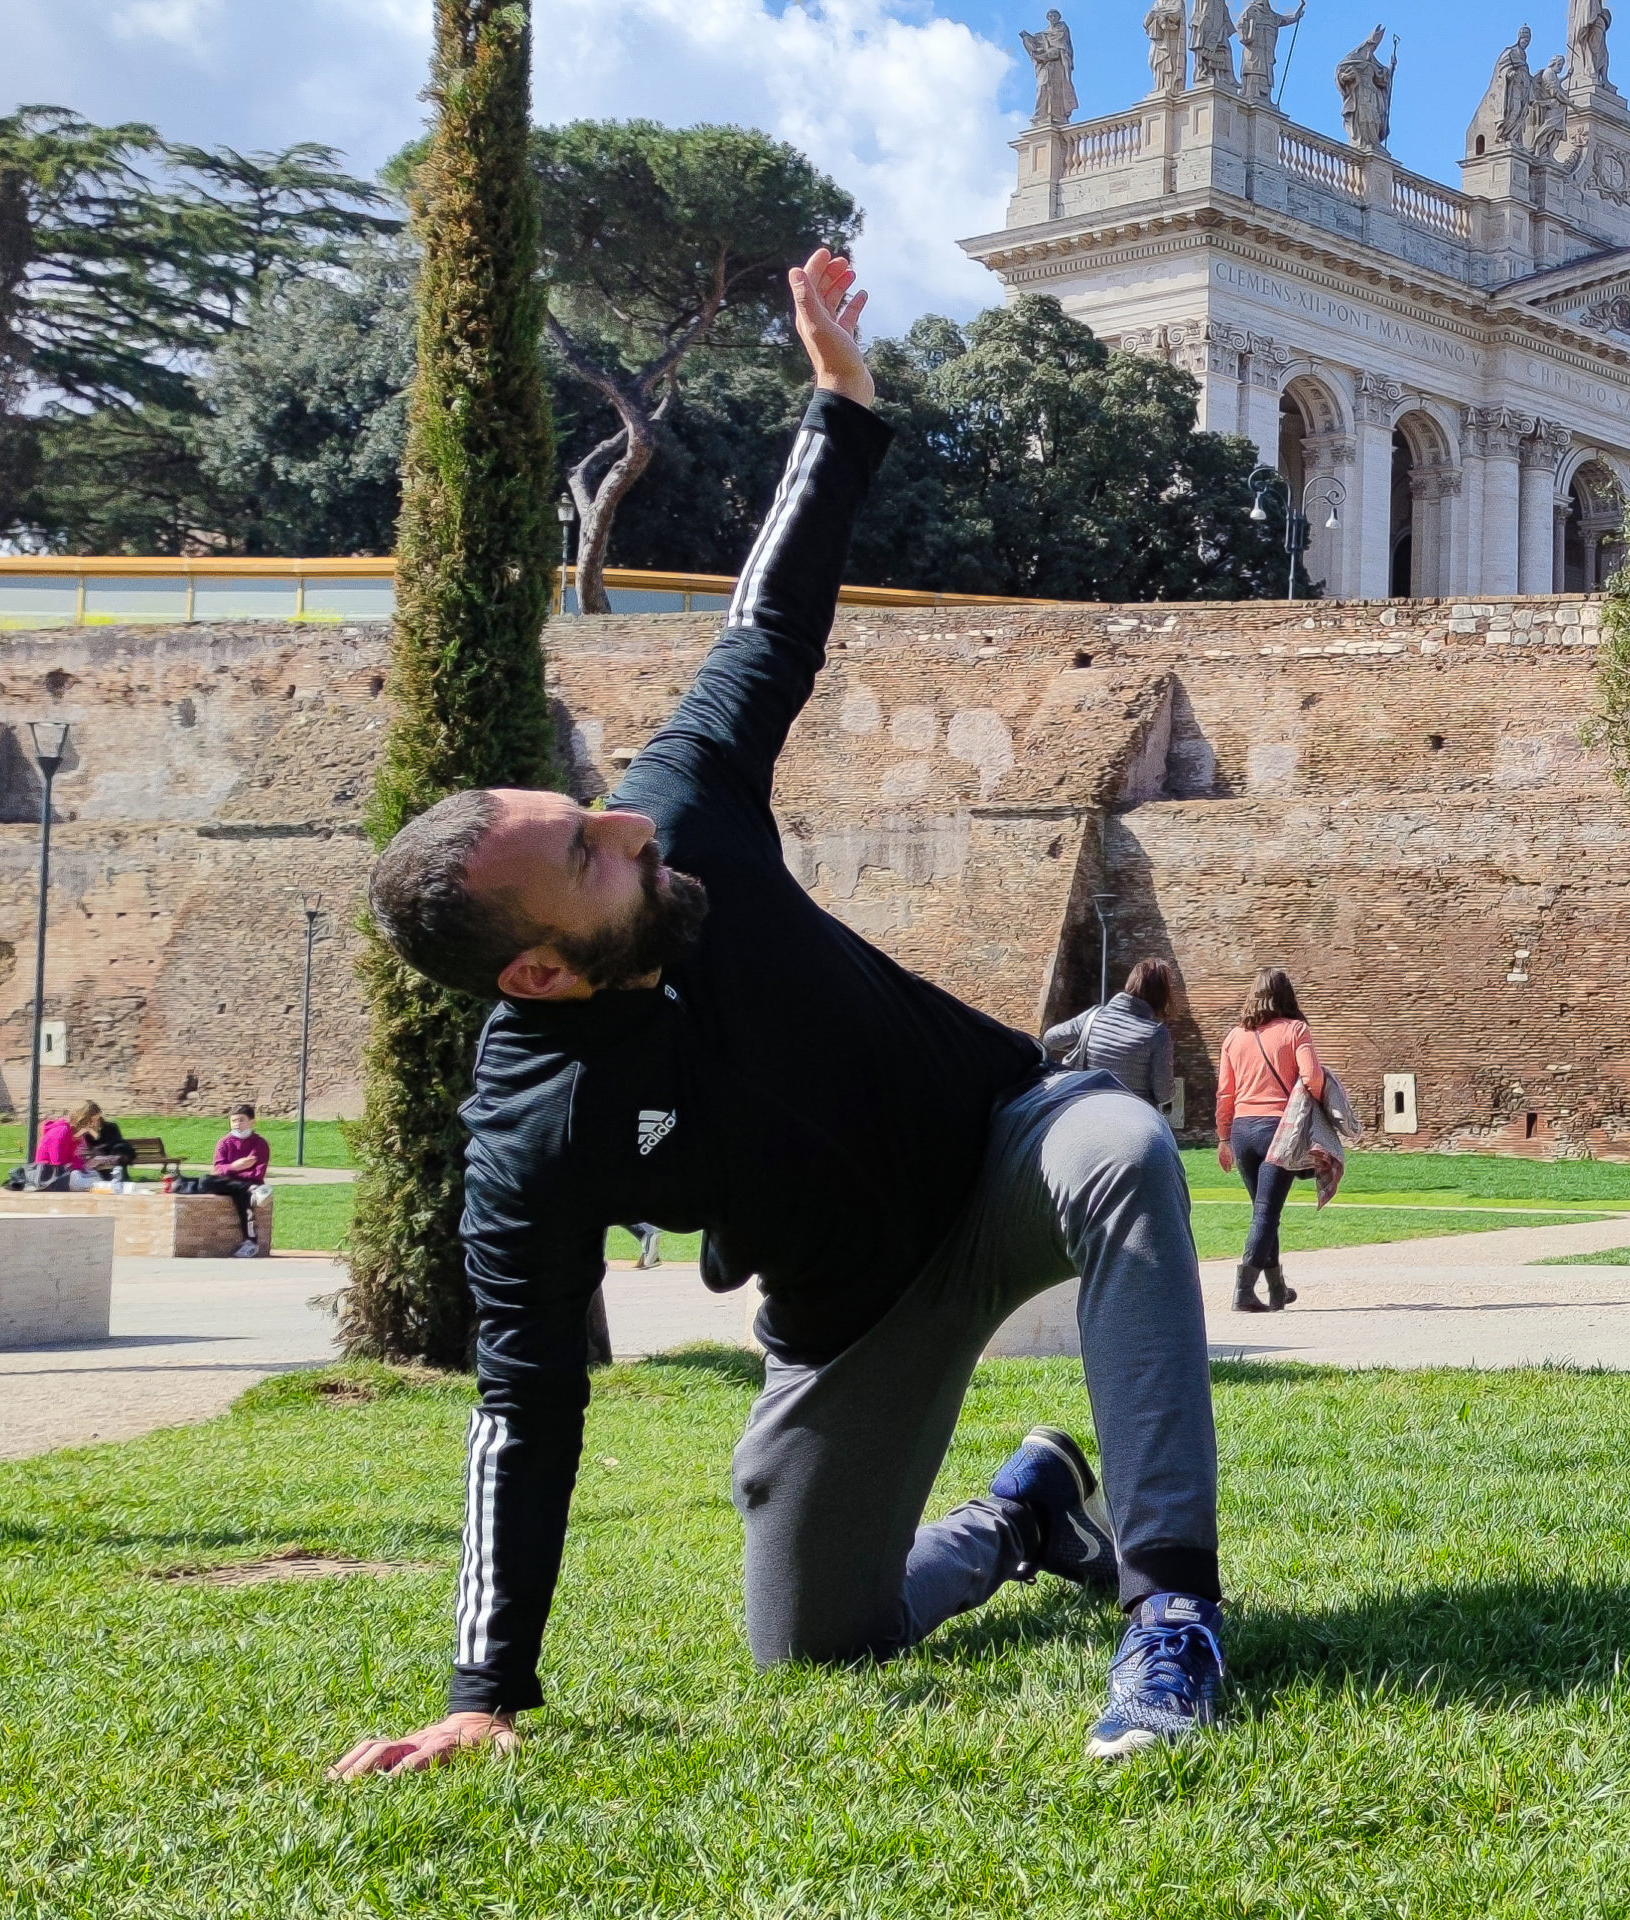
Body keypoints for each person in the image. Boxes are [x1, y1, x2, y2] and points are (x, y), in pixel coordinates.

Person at [332, 249, 1223, 1779]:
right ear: (535, 973)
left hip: (1006, 1141)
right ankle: (1023, 1512)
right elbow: (518, 1405)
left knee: (1123, 1146)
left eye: (594, 811)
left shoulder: (678, 810)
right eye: (585, 855)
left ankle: (1172, 1618)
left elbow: (765, 626)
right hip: (848, 1312)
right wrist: (486, 1687)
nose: (629, 833)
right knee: (819, 1640)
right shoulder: (526, 1130)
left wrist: (839, 404)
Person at [1215, 968, 1325, 1313]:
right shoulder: (1295, 1030)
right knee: (1266, 1212)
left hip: (1242, 1131)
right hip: (1279, 1129)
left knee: (1264, 1209)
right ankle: (1243, 1291)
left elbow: (1225, 1093)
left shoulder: (1234, 1037)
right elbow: (1312, 1077)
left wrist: (1223, 1138)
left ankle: (1277, 1290)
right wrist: (1320, 1108)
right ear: (1287, 996)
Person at [1043, 957, 1178, 1115]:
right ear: (1162, 996)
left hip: (1088, 1108)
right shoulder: (1158, 1034)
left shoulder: (1092, 1017)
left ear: (1129, 984)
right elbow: (1164, 1094)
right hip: (1134, 1113)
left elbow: (1050, 1038)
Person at [188, 1104, 271, 1257]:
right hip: (234, 1184)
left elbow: (258, 1173)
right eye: (233, 1121)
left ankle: (251, 1241)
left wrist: (232, 1173)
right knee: (207, 1180)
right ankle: (249, 1191)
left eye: (241, 1120)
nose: (237, 1124)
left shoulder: (259, 1143)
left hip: (249, 1183)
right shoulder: (224, 1142)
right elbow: (217, 1168)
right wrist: (235, 1166)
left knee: (244, 1197)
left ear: (252, 1122)